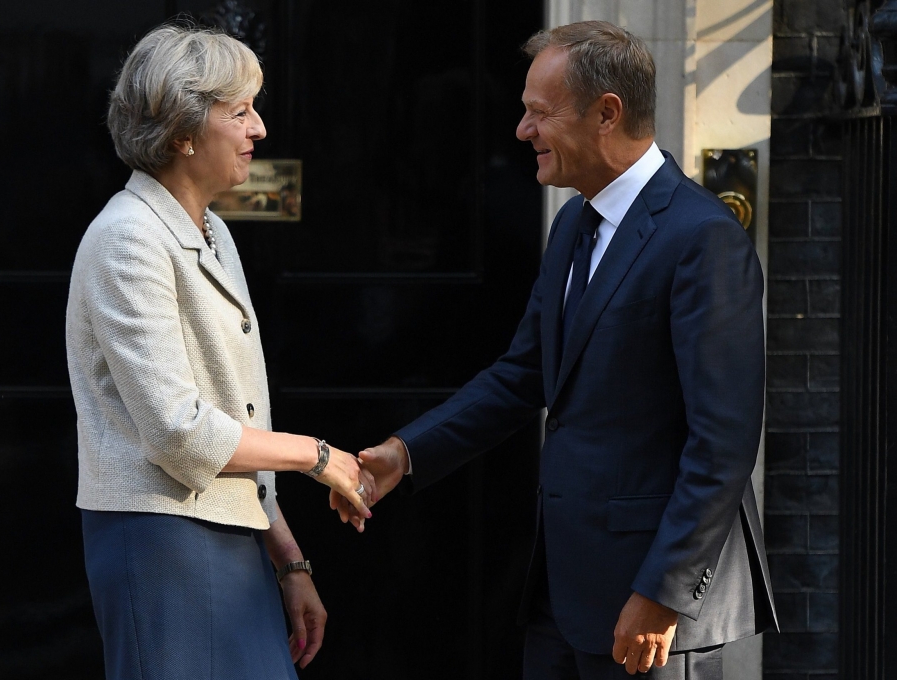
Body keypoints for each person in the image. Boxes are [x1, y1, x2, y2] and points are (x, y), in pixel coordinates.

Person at [332, 21, 777, 680]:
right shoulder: (573, 223)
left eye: (538, 113)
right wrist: (406, 453)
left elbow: (725, 441)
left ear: (607, 113)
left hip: (656, 613)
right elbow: (522, 376)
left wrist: (663, 592)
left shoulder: (701, 240)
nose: (521, 131)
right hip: (562, 597)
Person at [66, 24, 373, 680]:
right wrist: (315, 456)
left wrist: (289, 560)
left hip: (230, 540)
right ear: (182, 131)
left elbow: (234, 413)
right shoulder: (128, 240)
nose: (259, 129)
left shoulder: (211, 231)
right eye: (241, 112)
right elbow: (181, 432)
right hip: (163, 544)